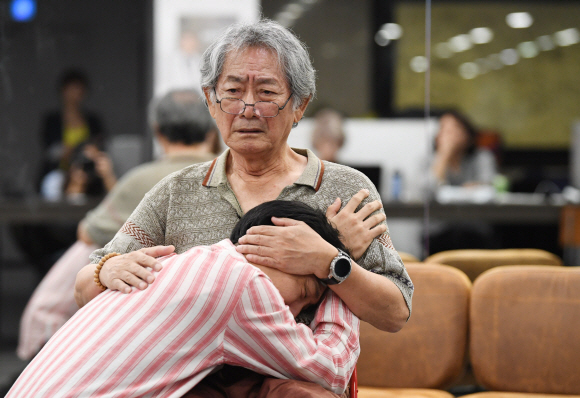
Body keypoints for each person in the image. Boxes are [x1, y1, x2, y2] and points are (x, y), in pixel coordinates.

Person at [75, 19, 412, 394]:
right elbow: (84, 284)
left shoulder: (346, 188)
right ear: (211, 102)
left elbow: (396, 311)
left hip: (295, 385)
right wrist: (109, 268)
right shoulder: (175, 192)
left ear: (299, 105)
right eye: (233, 91)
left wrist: (330, 261)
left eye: (267, 93)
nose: (248, 108)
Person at [8, 201, 359, 398]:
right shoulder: (241, 283)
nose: (294, 314)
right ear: (273, 251)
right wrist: (339, 270)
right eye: (302, 295)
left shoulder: (178, 263)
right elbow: (330, 369)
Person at [16, 90, 217, 361]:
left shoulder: (145, 179)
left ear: (157, 132)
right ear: (211, 130)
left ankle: (37, 356)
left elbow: (87, 232)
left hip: (146, 319)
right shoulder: (229, 175)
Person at [40, 69, 105, 182]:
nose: (75, 93)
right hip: (58, 174)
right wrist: (72, 151)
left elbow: (99, 144)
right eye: (72, 89)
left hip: (87, 177)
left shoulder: (93, 120)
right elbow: (50, 150)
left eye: (79, 89)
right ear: (63, 91)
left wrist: (91, 152)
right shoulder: (52, 120)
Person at [430, 111, 496, 188]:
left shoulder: (482, 157)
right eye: (444, 129)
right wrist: (443, 156)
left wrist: (477, 186)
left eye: (455, 128)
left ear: (467, 134)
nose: (449, 134)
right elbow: (427, 190)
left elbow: (490, 185)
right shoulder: (427, 159)